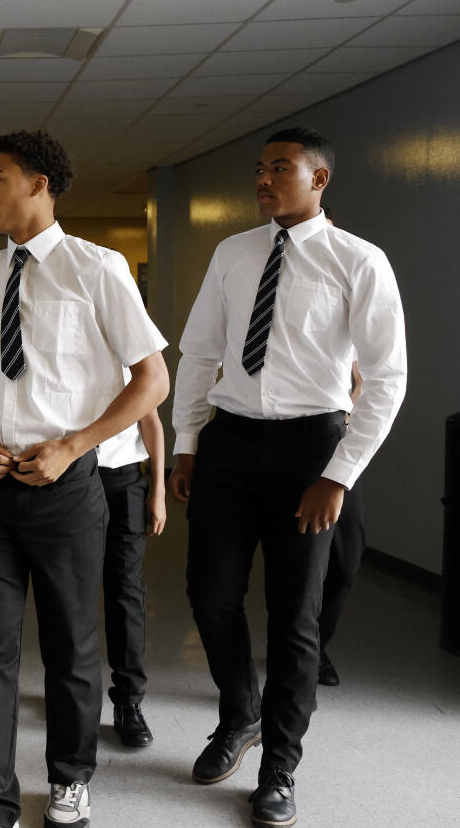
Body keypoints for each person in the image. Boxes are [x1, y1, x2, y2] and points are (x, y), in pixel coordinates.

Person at [0, 130, 169, 828]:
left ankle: (70, 778)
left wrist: (76, 445)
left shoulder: (97, 270)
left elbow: (152, 379)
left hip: (65, 489)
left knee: (71, 647)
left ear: (40, 184)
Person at [170, 127, 406, 828]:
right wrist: (186, 442)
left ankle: (280, 769)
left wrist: (337, 475)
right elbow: (198, 351)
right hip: (231, 443)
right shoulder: (233, 253)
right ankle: (239, 714)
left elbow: (387, 381)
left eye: (279, 168)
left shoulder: (357, 261)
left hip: (313, 445)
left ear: (319, 179)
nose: (263, 180)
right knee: (209, 595)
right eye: (260, 169)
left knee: (294, 618)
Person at [316, 206, 367, 688]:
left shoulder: (356, 284)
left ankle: (317, 645)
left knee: (345, 555)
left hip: (343, 443)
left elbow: (369, 378)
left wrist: (349, 408)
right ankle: (298, 650)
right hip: (298, 437)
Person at [97, 407, 167, 747]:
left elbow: (149, 419)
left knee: (126, 592)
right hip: (69, 477)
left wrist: (158, 491)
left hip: (125, 481)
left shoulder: (135, 355)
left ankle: (128, 702)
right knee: (70, 592)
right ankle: (69, 693)